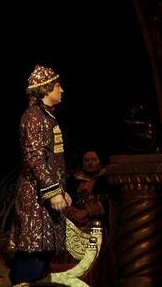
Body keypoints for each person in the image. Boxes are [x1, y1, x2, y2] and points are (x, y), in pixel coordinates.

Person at [11, 65, 71, 284]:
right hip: (35, 202)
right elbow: (35, 158)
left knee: (42, 265)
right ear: (46, 89)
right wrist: (53, 191)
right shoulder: (34, 117)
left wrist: (61, 191)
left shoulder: (46, 117)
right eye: (57, 86)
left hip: (44, 202)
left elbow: (51, 161)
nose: (62, 90)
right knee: (31, 261)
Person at [65, 151, 109, 229]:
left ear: (100, 163)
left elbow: (110, 201)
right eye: (86, 160)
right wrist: (72, 212)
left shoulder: (107, 180)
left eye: (94, 160)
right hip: (74, 222)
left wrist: (88, 211)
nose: (90, 163)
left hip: (99, 223)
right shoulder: (73, 180)